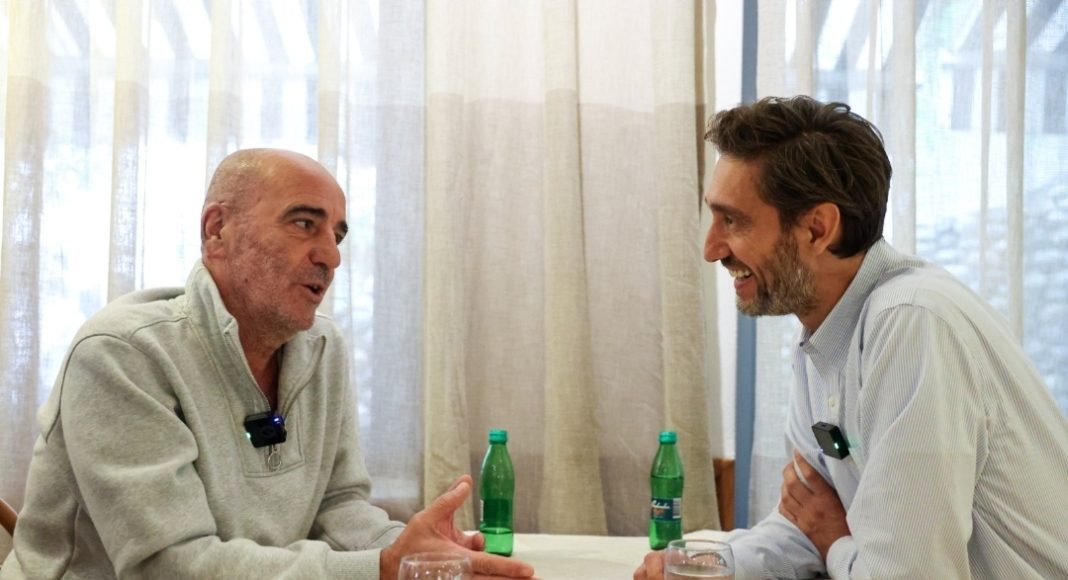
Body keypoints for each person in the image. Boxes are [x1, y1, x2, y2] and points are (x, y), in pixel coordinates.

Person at [1, 149, 535, 579]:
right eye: (304, 223)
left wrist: (419, 554)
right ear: (217, 230)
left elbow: (338, 506)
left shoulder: (323, 348)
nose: (331, 256)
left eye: (337, 235)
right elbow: (169, 566)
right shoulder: (123, 353)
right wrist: (379, 568)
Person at [634, 96, 1068, 579]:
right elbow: (803, 518)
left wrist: (833, 539)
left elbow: (901, 574)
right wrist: (712, 567)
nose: (711, 249)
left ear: (817, 228)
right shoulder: (823, 334)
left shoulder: (912, 325)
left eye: (732, 220)